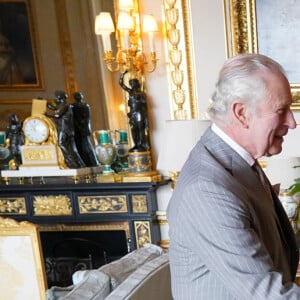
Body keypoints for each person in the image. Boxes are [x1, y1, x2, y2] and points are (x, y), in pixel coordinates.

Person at [167, 53, 300, 299]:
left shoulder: (238, 161)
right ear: (241, 113)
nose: (292, 122)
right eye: (281, 110)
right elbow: (269, 294)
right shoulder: (207, 190)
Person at [45, 90, 85, 169]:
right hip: (67, 130)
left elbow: (57, 115)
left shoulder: (65, 106)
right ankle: (79, 164)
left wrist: (47, 115)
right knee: (72, 148)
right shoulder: (63, 105)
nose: (55, 99)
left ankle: (72, 163)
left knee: (61, 144)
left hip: (65, 129)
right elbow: (54, 108)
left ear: (60, 98)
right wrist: (46, 103)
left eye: (56, 97)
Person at [119, 72, 150, 152]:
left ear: (136, 84)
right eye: (130, 84)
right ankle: (136, 144)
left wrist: (146, 120)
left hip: (140, 114)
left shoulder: (141, 94)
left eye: (132, 83)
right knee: (133, 129)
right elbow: (121, 84)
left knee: (140, 129)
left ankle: (142, 145)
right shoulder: (130, 92)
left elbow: (144, 105)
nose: (131, 85)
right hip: (133, 114)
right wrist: (123, 74)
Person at [72, 91, 99, 167]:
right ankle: (84, 162)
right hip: (77, 129)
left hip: (84, 128)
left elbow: (87, 117)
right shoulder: (72, 106)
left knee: (86, 145)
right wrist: (78, 124)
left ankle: (93, 162)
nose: (78, 98)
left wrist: (81, 124)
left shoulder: (85, 105)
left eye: (79, 96)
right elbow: (73, 118)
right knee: (79, 146)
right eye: (77, 96)